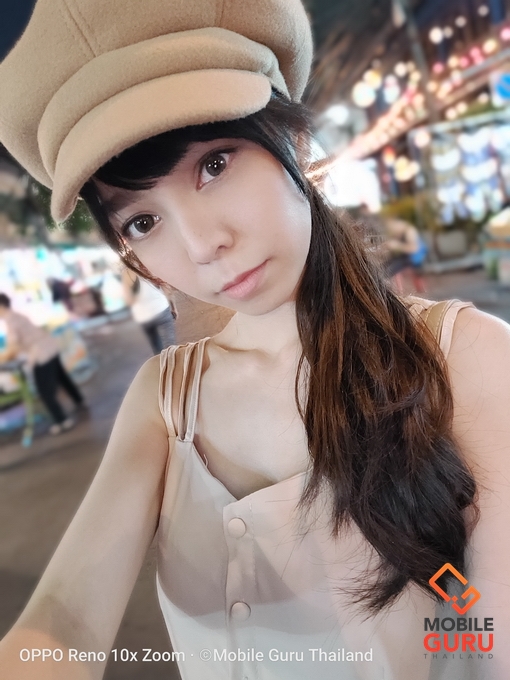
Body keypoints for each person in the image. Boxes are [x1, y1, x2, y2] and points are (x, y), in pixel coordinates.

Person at [0, 1, 509, 679]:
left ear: (293, 142)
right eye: (143, 221)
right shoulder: (166, 401)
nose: (202, 245)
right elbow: (64, 620)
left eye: (215, 164)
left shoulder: (463, 356)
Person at [0, 293, 85, 435]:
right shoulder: (17, 315)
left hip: (41, 354)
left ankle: (62, 421)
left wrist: (3, 357)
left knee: (45, 392)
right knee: (62, 378)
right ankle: (79, 401)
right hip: (50, 347)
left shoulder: (10, 320)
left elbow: (13, 347)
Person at [121, 268, 178, 354]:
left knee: (156, 348)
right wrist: (173, 307)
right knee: (170, 346)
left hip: (143, 317)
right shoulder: (150, 265)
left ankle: (160, 360)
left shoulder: (127, 273)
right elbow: (167, 289)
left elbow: (128, 300)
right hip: (161, 309)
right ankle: (172, 360)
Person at [383, 217, 428, 294]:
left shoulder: (409, 231)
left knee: (390, 270)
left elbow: (414, 249)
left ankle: (392, 290)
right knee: (384, 265)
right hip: (403, 256)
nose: (391, 229)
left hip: (414, 257)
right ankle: (395, 289)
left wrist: (397, 245)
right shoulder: (397, 233)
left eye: (392, 227)